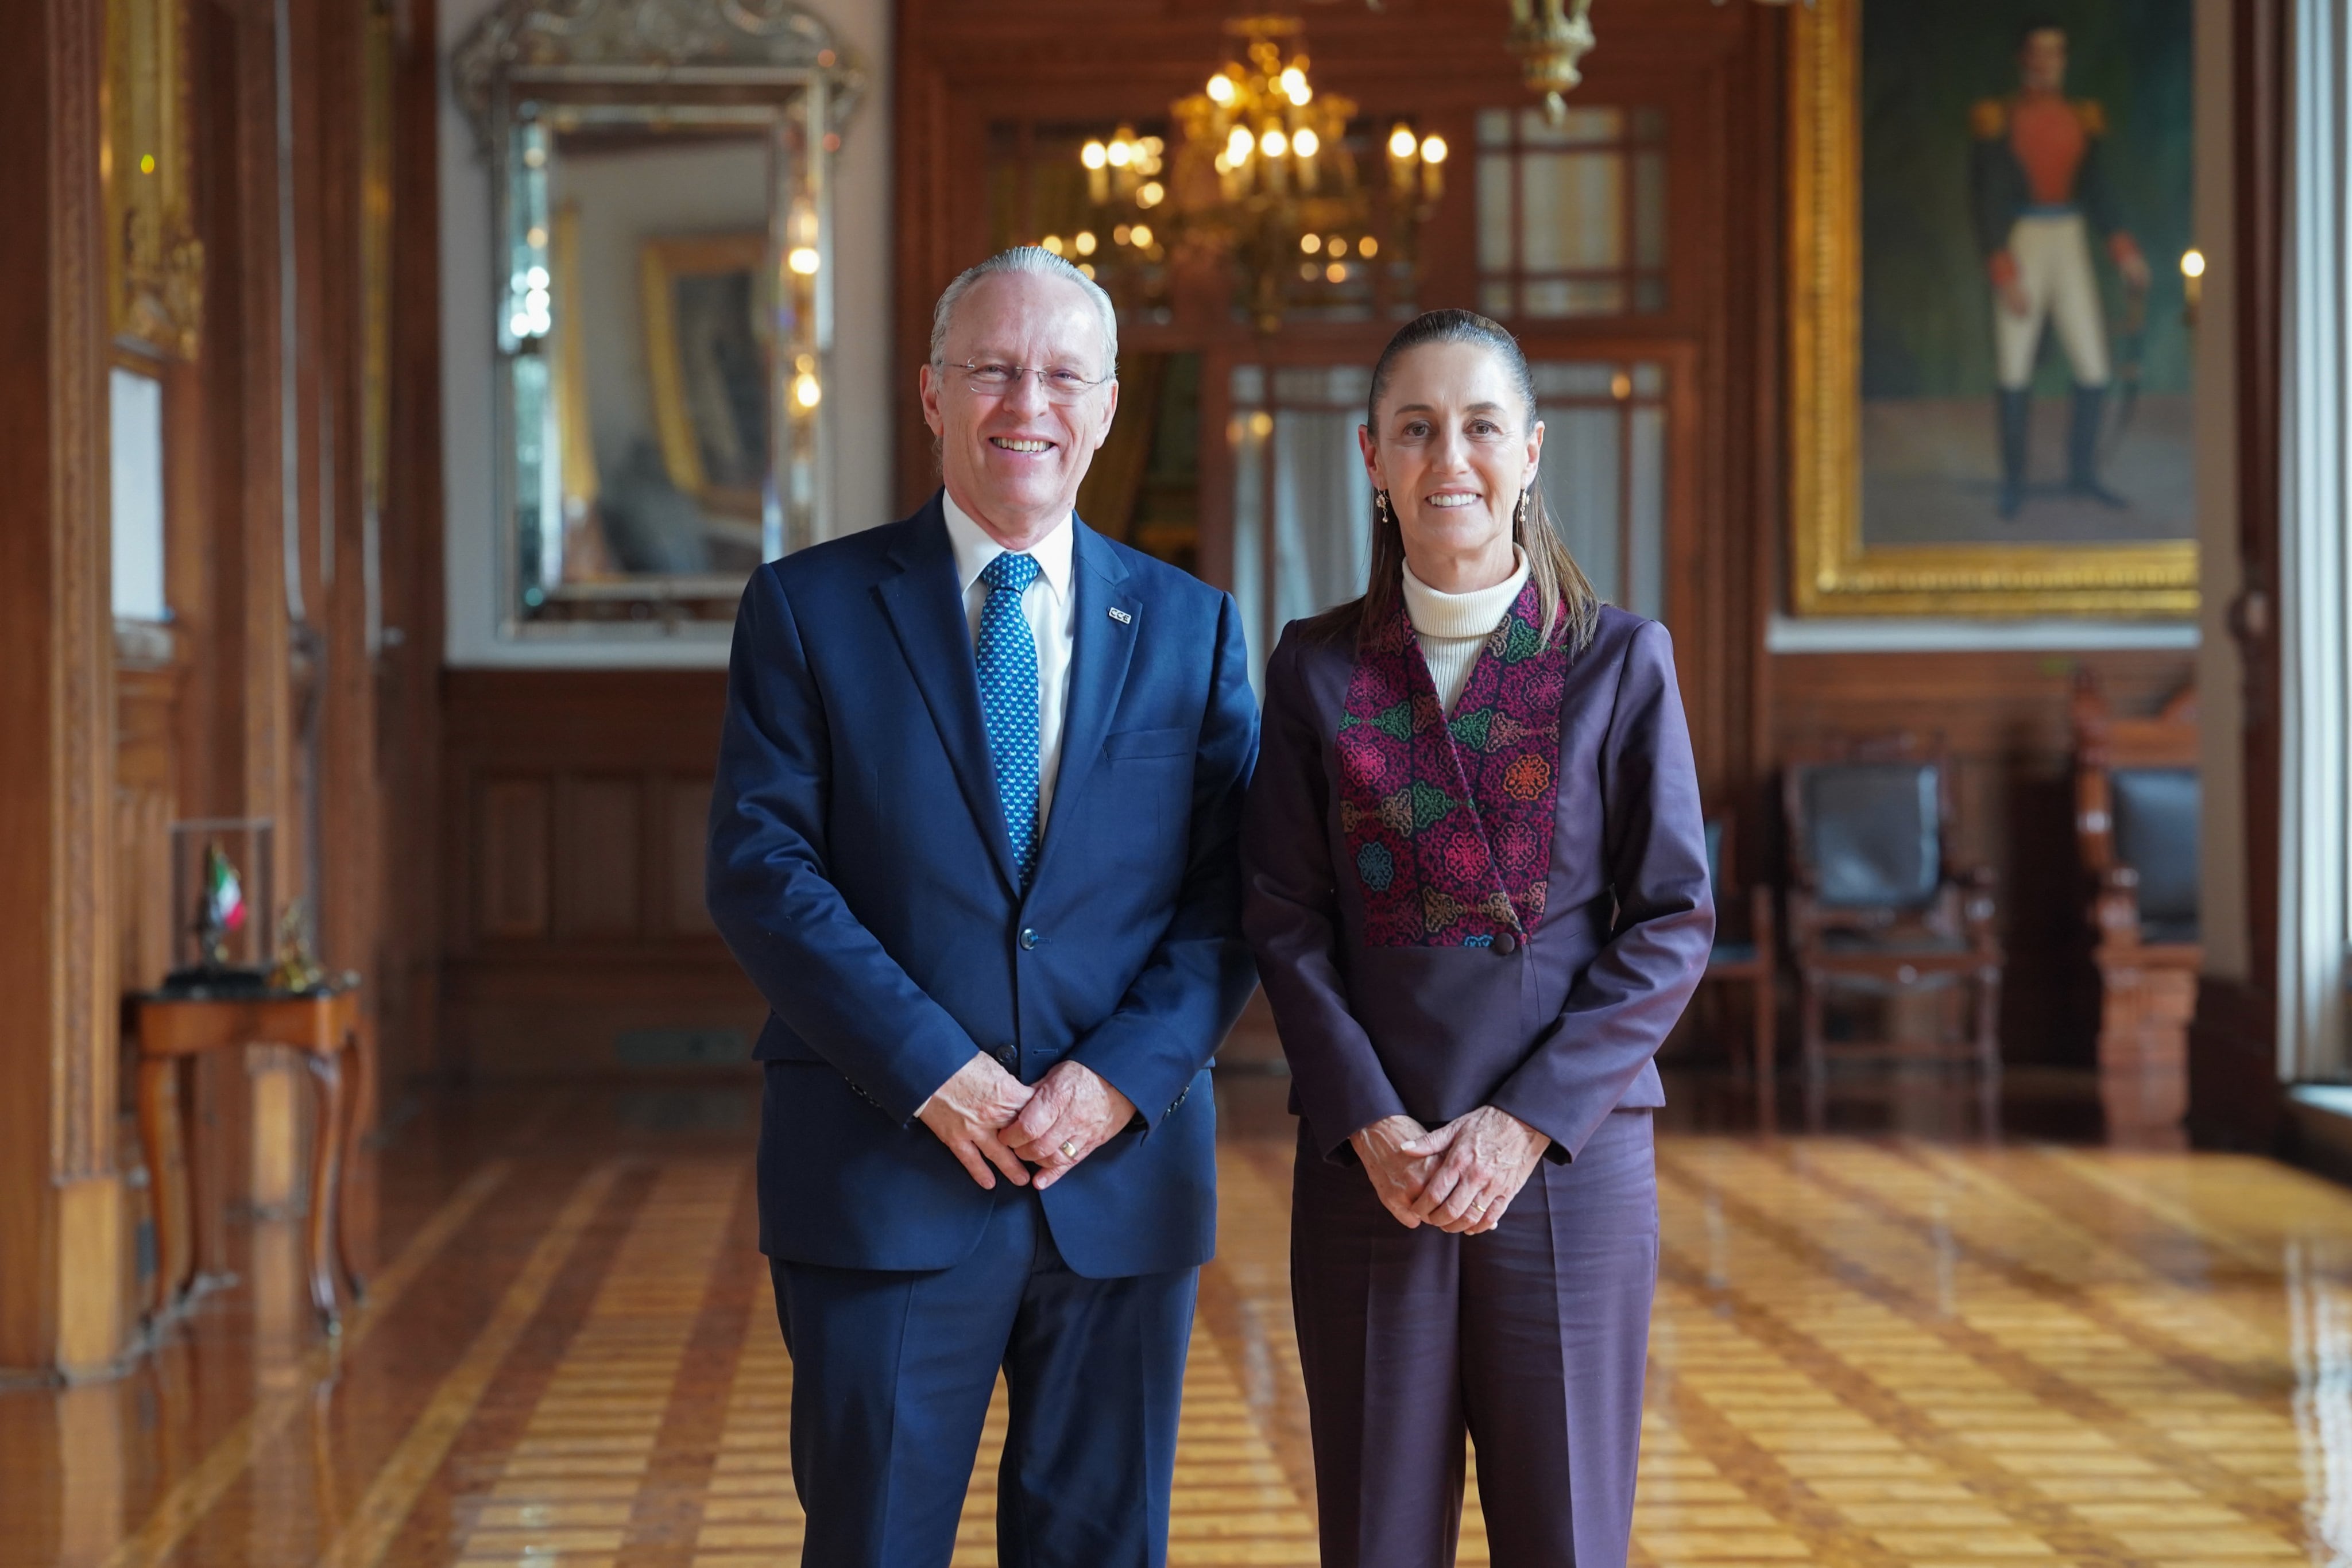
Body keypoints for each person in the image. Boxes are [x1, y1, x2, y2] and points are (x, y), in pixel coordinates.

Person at [706, 245, 1258, 1568]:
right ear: (931, 394)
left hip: (1117, 1183)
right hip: (883, 1171)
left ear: (1106, 407)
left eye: (1063, 375)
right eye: (994, 370)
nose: (1029, 404)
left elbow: (1237, 890)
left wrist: (1115, 1083)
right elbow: (762, 870)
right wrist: (935, 1074)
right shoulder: (807, 608)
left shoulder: (1192, 626)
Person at [1241, 309, 1712, 1568]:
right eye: (1415, 428)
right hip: (1372, 1162)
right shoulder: (1313, 667)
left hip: (1563, 1158)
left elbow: (1671, 918)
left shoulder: (1619, 659)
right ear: (1372, 458)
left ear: (1530, 450)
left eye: (1480, 426)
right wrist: (1367, 1121)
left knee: (1565, 1536)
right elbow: (1283, 918)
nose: (1449, 457)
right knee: (1377, 1540)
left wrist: (1523, 1123)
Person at [1971, 18, 2152, 518]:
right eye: (2039, 52)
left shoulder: (2083, 118)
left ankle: (2082, 475)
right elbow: (1984, 198)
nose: (2047, 62)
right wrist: (2004, 271)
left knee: (2093, 366)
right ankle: (2014, 484)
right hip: (2022, 239)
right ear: (2023, 59)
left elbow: (2097, 189)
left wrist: (2124, 251)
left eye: (2056, 52)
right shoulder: (1997, 119)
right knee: (2013, 365)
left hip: (2070, 238)